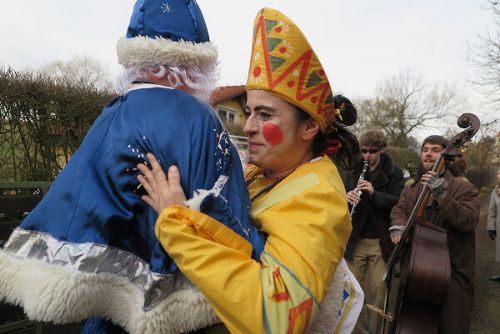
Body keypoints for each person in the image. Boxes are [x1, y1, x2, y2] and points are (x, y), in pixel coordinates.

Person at [0, 1, 264, 333]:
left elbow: (73, 201)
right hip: (185, 314)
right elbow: (232, 223)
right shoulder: (203, 122)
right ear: (199, 61)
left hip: (110, 316)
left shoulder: (110, 116)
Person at [136, 7, 363, 334]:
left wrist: (175, 223)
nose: (249, 125)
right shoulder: (266, 171)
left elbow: (278, 317)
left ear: (309, 127)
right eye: (248, 112)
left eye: (265, 115)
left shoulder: (320, 198)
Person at [390, 135, 480, 334]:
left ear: (447, 155)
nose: (428, 153)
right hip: (415, 272)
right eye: (425, 149)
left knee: (450, 327)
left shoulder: (464, 188)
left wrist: (442, 195)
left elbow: (468, 221)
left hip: (452, 275)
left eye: (435, 149)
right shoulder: (412, 188)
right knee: (411, 323)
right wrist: (398, 225)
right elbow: (399, 209)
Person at [343, 129, 404, 334]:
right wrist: (347, 197)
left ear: (382, 150)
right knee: (353, 291)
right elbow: (337, 197)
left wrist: (374, 193)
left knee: (378, 293)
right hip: (356, 240)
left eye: (372, 151)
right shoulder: (353, 170)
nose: (367, 155)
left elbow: (399, 203)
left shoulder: (394, 172)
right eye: (364, 151)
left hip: (380, 241)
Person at [488, 169, 500, 281]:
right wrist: (491, 228)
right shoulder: (495, 192)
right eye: (498, 173)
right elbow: (492, 211)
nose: (498, 175)